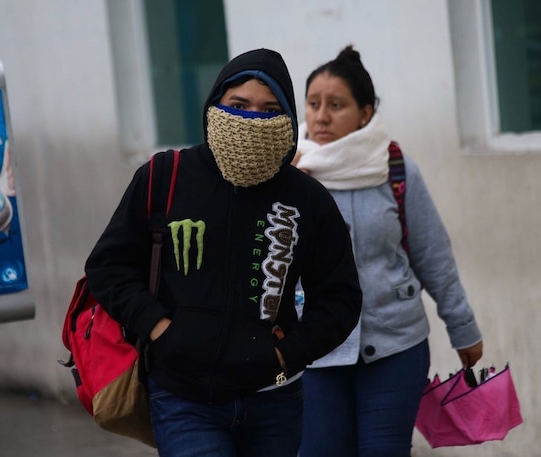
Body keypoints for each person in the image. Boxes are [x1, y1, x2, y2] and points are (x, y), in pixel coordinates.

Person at [84, 48, 362, 457]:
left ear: (287, 121)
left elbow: (340, 298)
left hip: (275, 402)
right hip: (183, 398)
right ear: (215, 105)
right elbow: (108, 267)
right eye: (239, 105)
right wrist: (161, 327)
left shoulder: (307, 199)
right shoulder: (165, 176)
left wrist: (287, 353)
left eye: (270, 110)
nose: (253, 119)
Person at [291, 45, 485, 456]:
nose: (321, 116)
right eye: (312, 103)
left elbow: (433, 256)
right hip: (313, 350)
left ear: (365, 113)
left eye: (336, 105)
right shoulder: (289, 175)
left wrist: (462, 327)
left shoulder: (394, 168)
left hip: (395, 343)